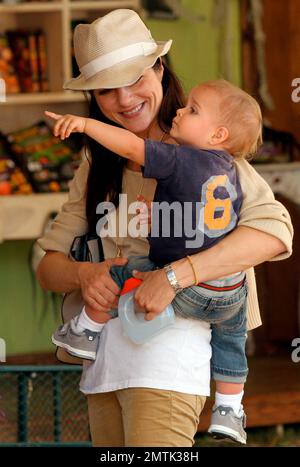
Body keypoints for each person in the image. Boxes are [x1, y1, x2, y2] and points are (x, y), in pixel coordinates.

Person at [36, 9, 293, 447]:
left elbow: (273, 232)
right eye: (106, 90)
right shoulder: (97, 162)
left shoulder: (206, 152)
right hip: (104, 364)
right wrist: (85, 275)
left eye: (134, 79)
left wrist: (175, 276)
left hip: (168, 356)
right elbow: (48, 264)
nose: (123, 99)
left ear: (159, 68)